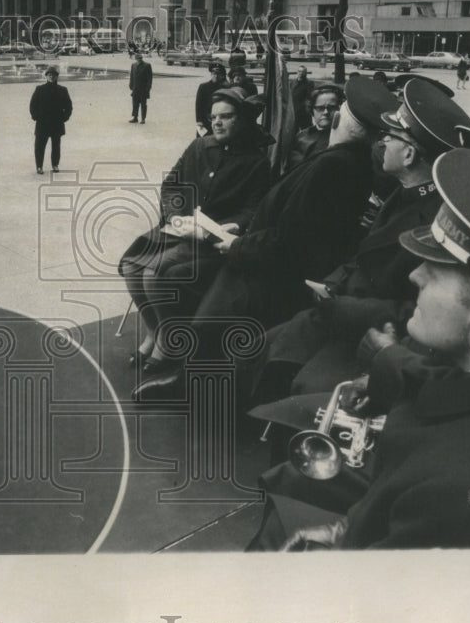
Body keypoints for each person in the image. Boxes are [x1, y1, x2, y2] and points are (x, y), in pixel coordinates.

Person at [249, 148, 470, 549]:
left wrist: (345, 543)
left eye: (437, 273)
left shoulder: (462, 489)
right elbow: (451, 386)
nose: (414, 275)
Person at [134, 77, 390, 396]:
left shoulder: (334, 165)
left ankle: (191, 389)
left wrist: (235, 243)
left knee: (206, 319)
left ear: (337, 119)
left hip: (265, 267)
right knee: (173, 283)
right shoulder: (346, 162)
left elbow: (289, 237)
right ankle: (186, 375)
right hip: (259, 253)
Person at [246, 78, 470, 407]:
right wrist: (332, 285)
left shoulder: (437, 222)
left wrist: (343, 307)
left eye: (392, 135)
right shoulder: (405, 193)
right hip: (342, 309)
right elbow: (364, 256)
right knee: (259, 349)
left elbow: (421, 307)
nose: (382, 140)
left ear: (409, 154)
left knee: (300, 385)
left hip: (374, 331)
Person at [120, 87, 273, 377]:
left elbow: (253, 209)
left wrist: (235, 225)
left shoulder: (256, 162)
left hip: (213, 241)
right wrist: (176, 216)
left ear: (241, 120)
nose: (217, 123)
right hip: (179, 229)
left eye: (226, 117)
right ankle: (154, 331)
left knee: (155, 273)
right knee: (131, 265)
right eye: (214, 117)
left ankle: (166, 340)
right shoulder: (200, 146)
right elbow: (171, 185)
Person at [285, 85, 342, 170]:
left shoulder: (341, 139)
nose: (326, 112)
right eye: (320, 108)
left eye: (331, 108)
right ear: (312, 110)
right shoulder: (301, 136)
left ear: (339, 109)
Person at [29, 65, 72, 173]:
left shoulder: (63, 90)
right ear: (46, 76)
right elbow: (32, 105)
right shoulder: (39, 89)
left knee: (56, 146)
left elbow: (69, 106)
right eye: (49, 75)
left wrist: (64, 118)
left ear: (57, 77)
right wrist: (36, 117)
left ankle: (55, 165)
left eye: (53, 75)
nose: (51, 77)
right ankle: (39, 166)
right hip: (42, 123)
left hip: (56, 123)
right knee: (39, 146)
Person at [194, 62, 229, 136]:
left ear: (222, 76)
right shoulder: (203, 87)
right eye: (214, 74)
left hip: (219, 119)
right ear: (211, 74)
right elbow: (198, 105)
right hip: (205, 120)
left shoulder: (225, 87)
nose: (216, 76)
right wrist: (199, 120)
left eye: (218, 74)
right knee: (204, 141)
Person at [128, 52, 153, 123]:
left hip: (143, 89)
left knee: (143, 104)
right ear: (135, 59)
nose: (138, 59)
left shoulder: (147, 65)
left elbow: (149, 78)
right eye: (137, 58)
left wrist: (148, 88)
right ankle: (135, 117)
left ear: (142, 58)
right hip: (135, 88)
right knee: (135, 104)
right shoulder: (133, 65)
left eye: (140, 58)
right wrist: (130, 85)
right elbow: (132, 76)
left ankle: (143, 119)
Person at [289, 65, 314, 130]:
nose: (301, 73)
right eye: (299, 71)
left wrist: (307, 109)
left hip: (303, 112)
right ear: (297, 72)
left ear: (306, 73)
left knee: (306, 131)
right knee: (293, 130)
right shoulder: (292, 82)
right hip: (293, 111)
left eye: (303, 72)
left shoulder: (309, 83)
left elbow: (309, 97)